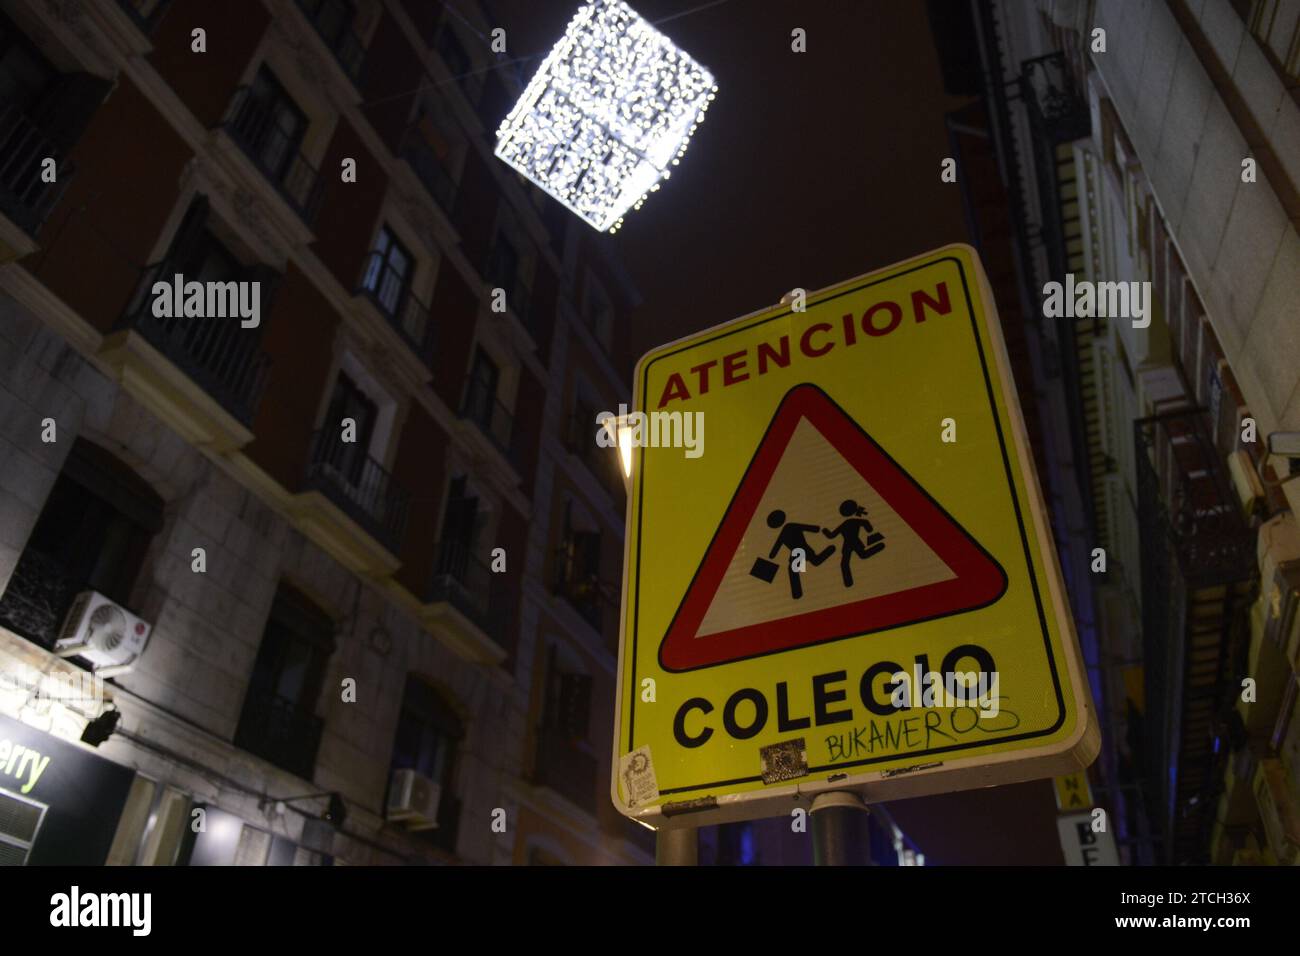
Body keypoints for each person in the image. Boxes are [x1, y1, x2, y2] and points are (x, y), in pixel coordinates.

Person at [766, 509, 834, 599]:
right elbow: (777, 546)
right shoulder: (787, 529)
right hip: (799, 552)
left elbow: (777, 546)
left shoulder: (787, 529)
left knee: (798, 568)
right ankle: (831, 549)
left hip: (799, 551)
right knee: (814, 562)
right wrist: (816, 529)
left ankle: (797, 594)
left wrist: (772, 555)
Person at [822, 499, 886, 587]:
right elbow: (832, 535)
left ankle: (880, 546)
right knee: (846, 562)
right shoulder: (849, 522)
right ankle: (848, 583)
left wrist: (825, 531)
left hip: (853, 543)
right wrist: (869, 529)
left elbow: (831, 535)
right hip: (849, 544)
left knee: (857, 558)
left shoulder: (849, 523)